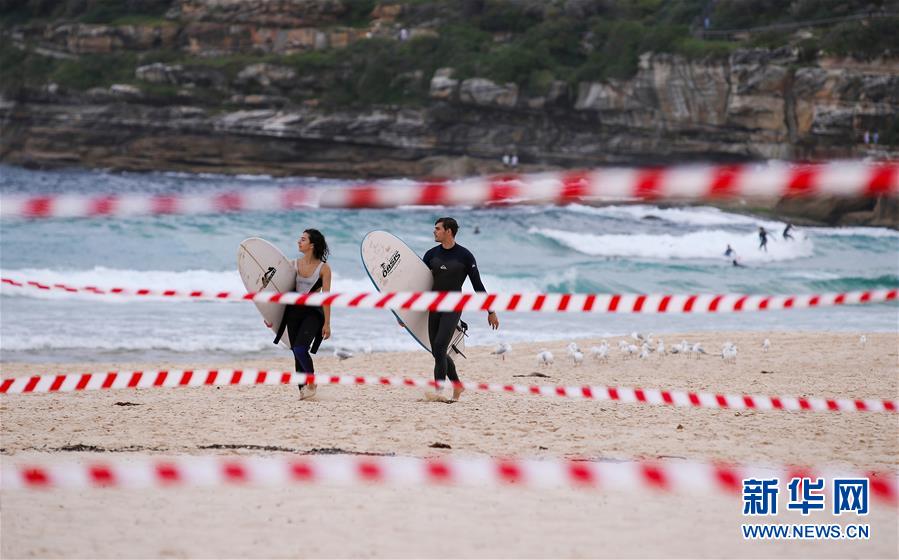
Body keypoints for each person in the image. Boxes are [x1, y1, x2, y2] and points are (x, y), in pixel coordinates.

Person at [423, 217, 499, 401]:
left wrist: (490, 311)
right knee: (437, 351)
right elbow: (419, 284)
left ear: (448, 231)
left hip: (454, 307)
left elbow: (477, 285)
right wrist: (404, 314)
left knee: (440, 346)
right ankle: (457, 386)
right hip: (434, 306)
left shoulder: (465, 256)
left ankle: (438, 392)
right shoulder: (430, 255)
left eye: (438, 228)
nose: (434, 231)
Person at [274, 229, 332, 400]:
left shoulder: (324, 269)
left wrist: (327, 323)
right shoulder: (293, 265)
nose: (299, 242)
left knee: (300, 349)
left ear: (312, 245)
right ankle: (303, 391)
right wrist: (269, 315)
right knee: (296, 352)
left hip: (312, 313)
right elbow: (278, 290)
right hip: (293, 312)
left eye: (303, 239)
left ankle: (311, 381)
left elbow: (327, 298)